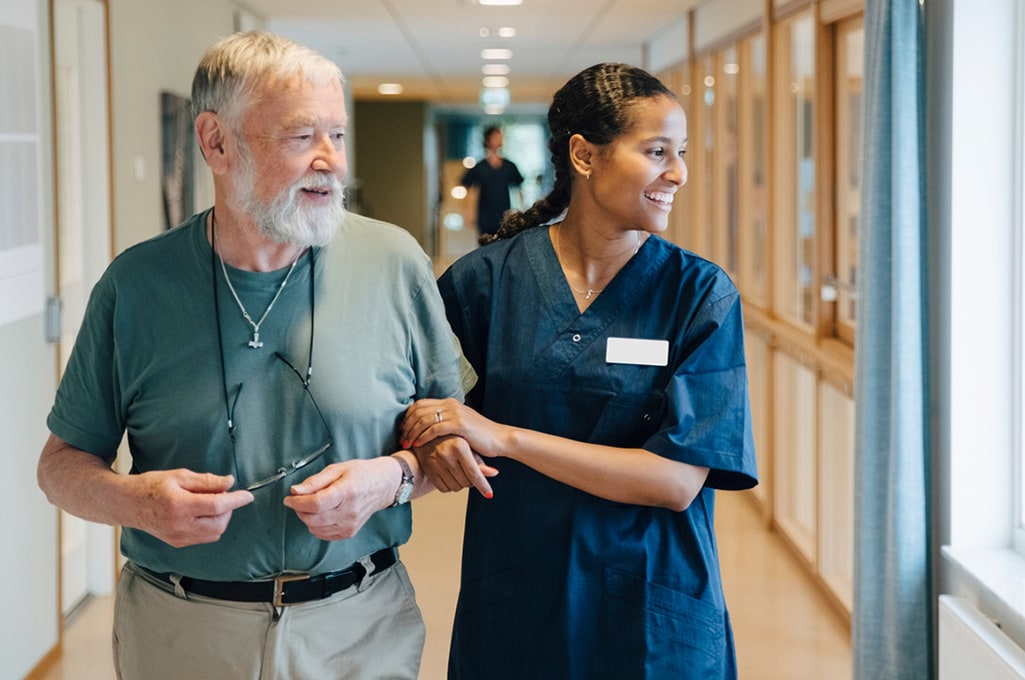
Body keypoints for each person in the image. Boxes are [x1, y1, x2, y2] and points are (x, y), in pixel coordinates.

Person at [36, 31, 480, 680]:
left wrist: (391, 479)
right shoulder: (136, 285)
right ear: (216, 142)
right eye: (303, 138)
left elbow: (454, 445)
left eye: (339, 135)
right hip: (181, 630)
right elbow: (60, 467)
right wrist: (136, 502)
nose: (331, 161)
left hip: (360, 628)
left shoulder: (394, 263)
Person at [400, 63, 758, 679]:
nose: (679, 173)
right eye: (656, 152)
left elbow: (676, 481)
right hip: (519, 598)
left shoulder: (698, 295)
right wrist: (434, 437)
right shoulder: (486, 283)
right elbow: (411, 406)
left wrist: (506, 436)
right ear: (584, 156)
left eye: (681, 153)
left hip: (651, 608)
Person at [459, 125, 524, 238]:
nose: (500, 139)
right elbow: (467, 187)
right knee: (485, 246)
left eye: (501, 136)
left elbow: (519, 188)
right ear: (488, 140)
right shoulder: (480, 167)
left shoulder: (509, 166)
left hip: (504, 216)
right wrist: (467, 212)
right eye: (496, 136)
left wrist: (522, 211)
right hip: (485, 216)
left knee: (504, 246)